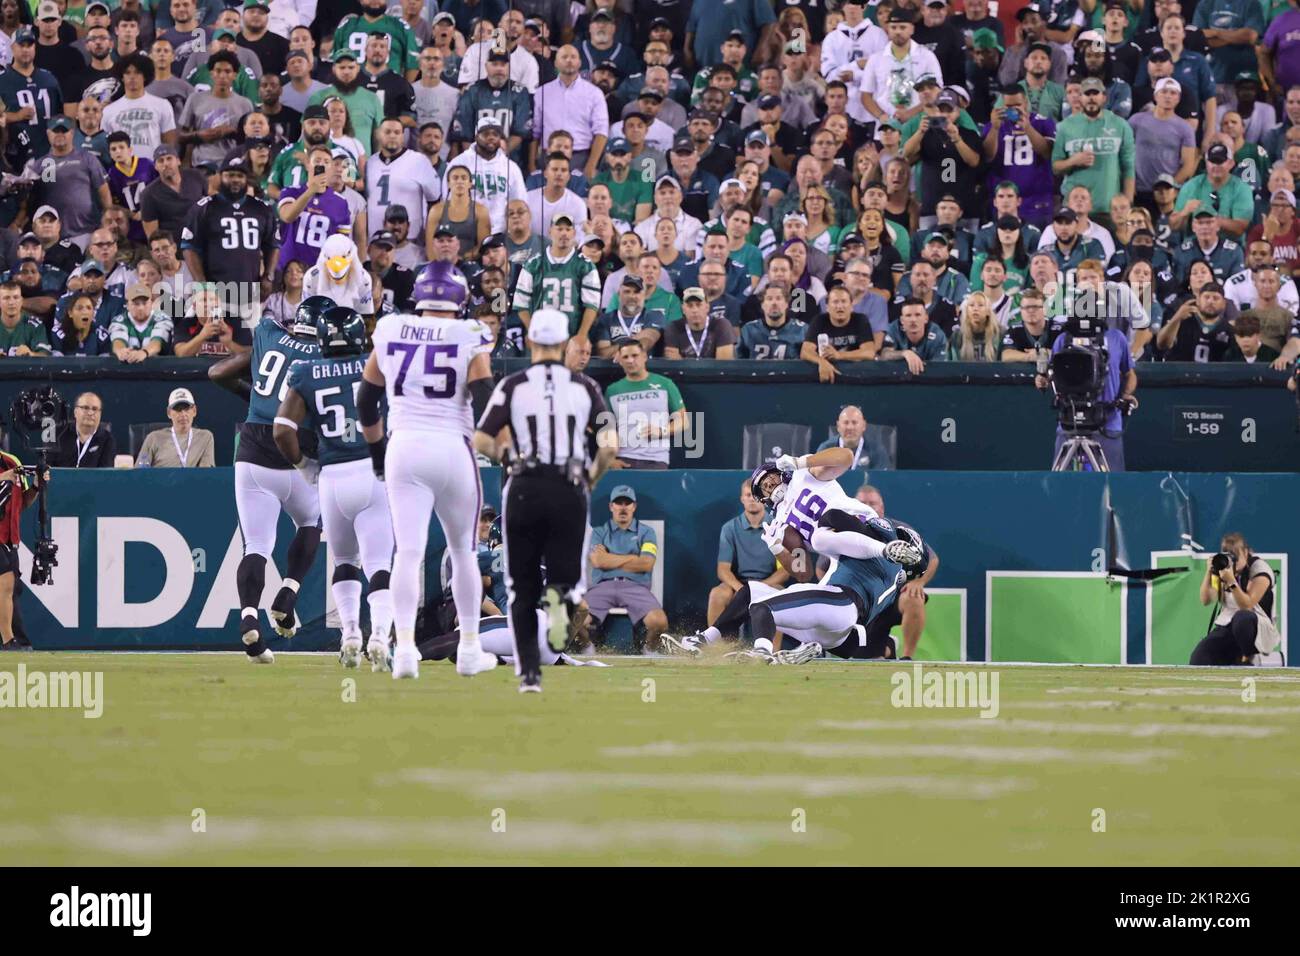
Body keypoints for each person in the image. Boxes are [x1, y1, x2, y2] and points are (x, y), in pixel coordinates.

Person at [358, 262, 497, 682]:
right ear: (459, 298)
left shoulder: (390, 329)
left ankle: (403, 652)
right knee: (463, 552)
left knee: (409, 552)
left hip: (404, 444)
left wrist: (378, 452)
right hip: (452, 445)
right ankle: (470, 648)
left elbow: (366, 400)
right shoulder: (470, 333)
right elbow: (484, 394)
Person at [472, 307, 618, 693]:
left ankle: (529, 676)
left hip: (524, 485)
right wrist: (589, 478)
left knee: (520, 587)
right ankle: (557, 620)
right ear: (565, 342)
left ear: (533, 341)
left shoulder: (513, 385)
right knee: (564, 583)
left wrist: (509, 458)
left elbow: (482, 438)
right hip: (568, 485)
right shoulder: (585, 387)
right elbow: (609, 445)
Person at [273, 305, 394, 671]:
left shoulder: (307, 372)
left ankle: (351, 634)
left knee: (344, 562)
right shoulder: (377, 364)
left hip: (333, 477)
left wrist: (303, 465)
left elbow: (281, 429)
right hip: (374, 472)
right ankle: (380, 637)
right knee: (379, 565)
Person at [208, 296, 326, 663]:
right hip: (296, 451)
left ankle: (247, 622)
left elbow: (216, 373)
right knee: (310, 522)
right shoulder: (324, 360)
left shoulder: (269, 333)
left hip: (255, 449)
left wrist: (255, 394)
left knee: (256, 545)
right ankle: (289, 592)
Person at [1189, 533, 1282, 665]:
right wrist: (1209, 572)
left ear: (1245, 552)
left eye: (1235, 557)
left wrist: (1231, 581)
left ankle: (1248, 658)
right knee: (1200, 657)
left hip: (1257, 628)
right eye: (1229, 556)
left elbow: (1247, 605)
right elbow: (1206, 599)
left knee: (1242, 618)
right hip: (1228, 625)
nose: (1233, 561)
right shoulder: (1224, 568)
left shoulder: (1259, 568)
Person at [605, 337, 687, 469]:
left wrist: (661, 431)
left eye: (635, 355)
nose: (630, 360)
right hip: (623, 460)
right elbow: (606, 429)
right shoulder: (612, 390)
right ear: (620, 361)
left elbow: (683, 421)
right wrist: (610, 459)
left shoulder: (665, 384)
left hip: (656, 460)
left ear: (644, 356)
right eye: (625, 357)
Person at [0, 444, 46, 649]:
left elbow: (22, 504)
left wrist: (36, 485)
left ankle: (18, 642)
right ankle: (9, 641)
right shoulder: (9, 470)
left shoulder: (12, 462)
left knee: (11, 590)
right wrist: (3, 478)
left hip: (10, 538)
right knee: (6, 583)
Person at [135, 387, 216, 467]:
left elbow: (206, 473)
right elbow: (140, 473)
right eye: (178, 409)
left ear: (194, 411)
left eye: (187, 409)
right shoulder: (153, 438)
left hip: (191, 480)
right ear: (169, 413)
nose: (183, 414)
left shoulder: (205, 437)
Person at [815, 404, 893, 472]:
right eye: (846, 422)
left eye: (854, 422)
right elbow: (815, 478)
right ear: (838, 426)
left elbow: (881, 482)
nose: (850, 427)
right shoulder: (825, 449)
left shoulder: (877, 450)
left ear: (864, 425)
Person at [48, 391, 116, 468]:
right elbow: (48, 469)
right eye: (85, 408)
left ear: (100, 414)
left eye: (95, 409)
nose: (90, 413)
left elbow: (105, 475)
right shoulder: (57, 435)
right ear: (75, 412)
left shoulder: (107, 439)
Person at [109, 282, 173, 361]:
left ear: (151, 303)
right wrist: (121, 351)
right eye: (136, 304)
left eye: (144, 303)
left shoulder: (162, 319)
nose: (141, 308)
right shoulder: (120, 321)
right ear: (127, 305)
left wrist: (144, 352)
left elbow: (157, 343)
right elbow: (118, 341)